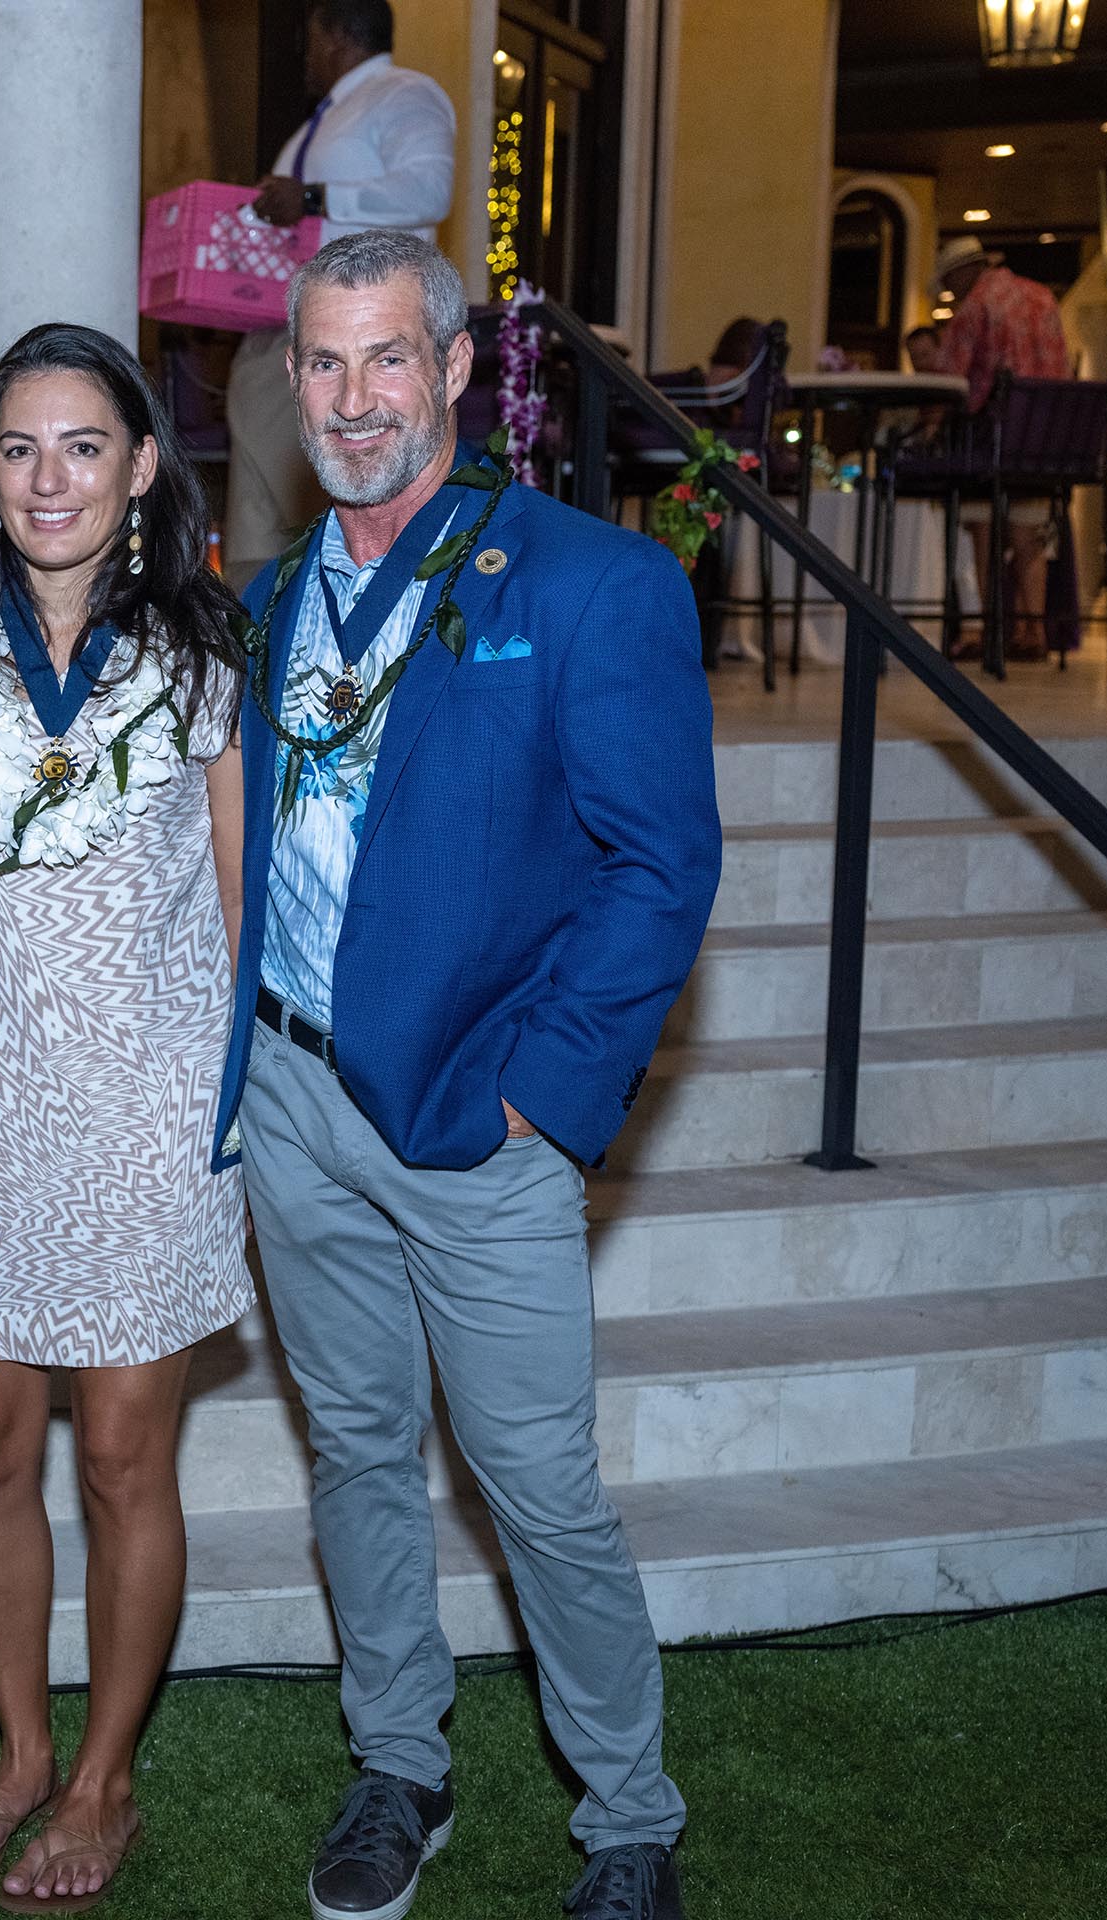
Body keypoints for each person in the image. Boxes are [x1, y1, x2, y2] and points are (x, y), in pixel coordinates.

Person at [214, 230, 718, 1920]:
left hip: (474, 1125)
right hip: (293, 1100)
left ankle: (628, 1819)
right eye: (324, 365)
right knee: (356, 1452)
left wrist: (543, 1099)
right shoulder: (268, 602)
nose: (354, 399)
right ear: (295, 382)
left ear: (451, 371)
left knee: (537, 1486)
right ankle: (399, 1762)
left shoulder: (587, 582)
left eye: (386, 361)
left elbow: (660, 871)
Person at [0, 323, 248, 1912]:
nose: (51, 479)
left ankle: (105, 1780)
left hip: (148, 1102)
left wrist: (242, 1110)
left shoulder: (205, 654)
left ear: (141, 467)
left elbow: (242, 911)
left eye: (84, 446)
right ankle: (22, 1749)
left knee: (120, 1455)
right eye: (20, 449)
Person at [227, 0, 455, 582]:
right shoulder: (318, 123)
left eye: (312, 37)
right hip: (280, 332)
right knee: (256, 503)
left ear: (335, 35)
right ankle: (256, 634)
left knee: (320, 491)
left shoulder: (406, 94)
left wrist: (312, 197)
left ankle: (332, 605)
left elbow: (429, 188)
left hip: (355, 333)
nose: (306, 58)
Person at [932, 235, 1072, 661]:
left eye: (949, 284)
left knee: (979, 521)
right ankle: (1033, 631)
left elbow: (950, 379)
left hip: (997, 442)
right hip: (1047, 442)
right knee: (1028, 527)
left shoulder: (976, 305)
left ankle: (984, 625)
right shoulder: (1043, 296)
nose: (951, 293)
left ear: (962, 273)